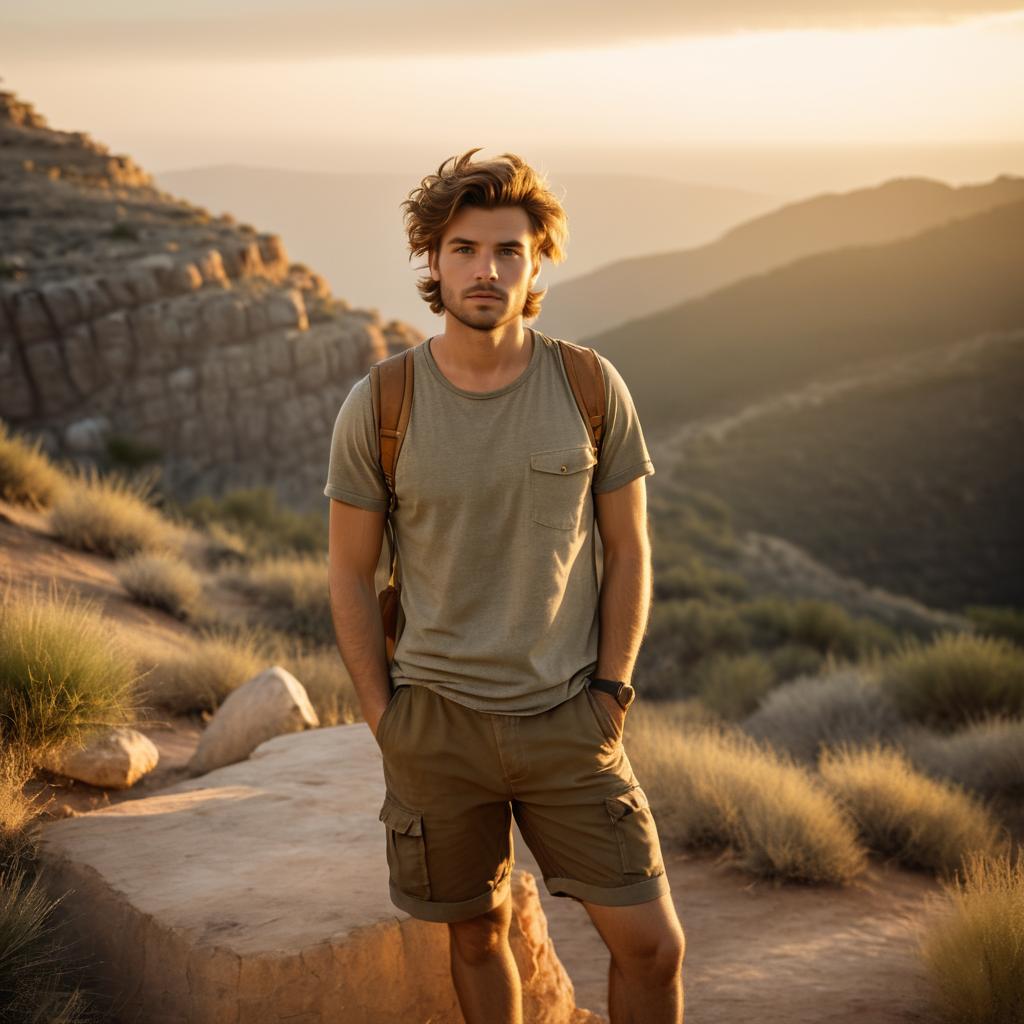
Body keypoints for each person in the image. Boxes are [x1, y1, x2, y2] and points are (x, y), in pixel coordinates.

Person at [324, 149, 685, 1024]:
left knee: (654, 946)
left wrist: (611, 691)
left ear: (536, 265)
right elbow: (347, 568)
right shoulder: (383, 403)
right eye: (463, 249)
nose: (485, 269)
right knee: (478, 933)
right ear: (433, 262)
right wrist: (387, 720)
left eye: (507, 251)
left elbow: (630, 551)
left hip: (570, 719)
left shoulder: (591, 387)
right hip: (435, 726)